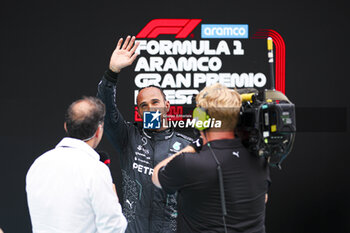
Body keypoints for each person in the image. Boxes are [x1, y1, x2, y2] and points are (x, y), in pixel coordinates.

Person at [97, 36, 192, 233]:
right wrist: (112, 73)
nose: (150, 108)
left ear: (167, 106)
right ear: (139, 112)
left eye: (155, 102)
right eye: (144, 105)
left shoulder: (186, 145)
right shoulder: (128, 136)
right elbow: (105, 109)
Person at [152, 83, 271, 233]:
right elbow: (263, 199)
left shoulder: (187, 163)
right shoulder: (259, 158)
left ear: (201, 119)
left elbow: (156, 176)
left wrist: (194, 145)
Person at [26, 97, 127, 233]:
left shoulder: (38, 164)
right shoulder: (96, 169)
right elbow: (113, 228)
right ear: (98, 131)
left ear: (66, 126)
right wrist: (114, 202)